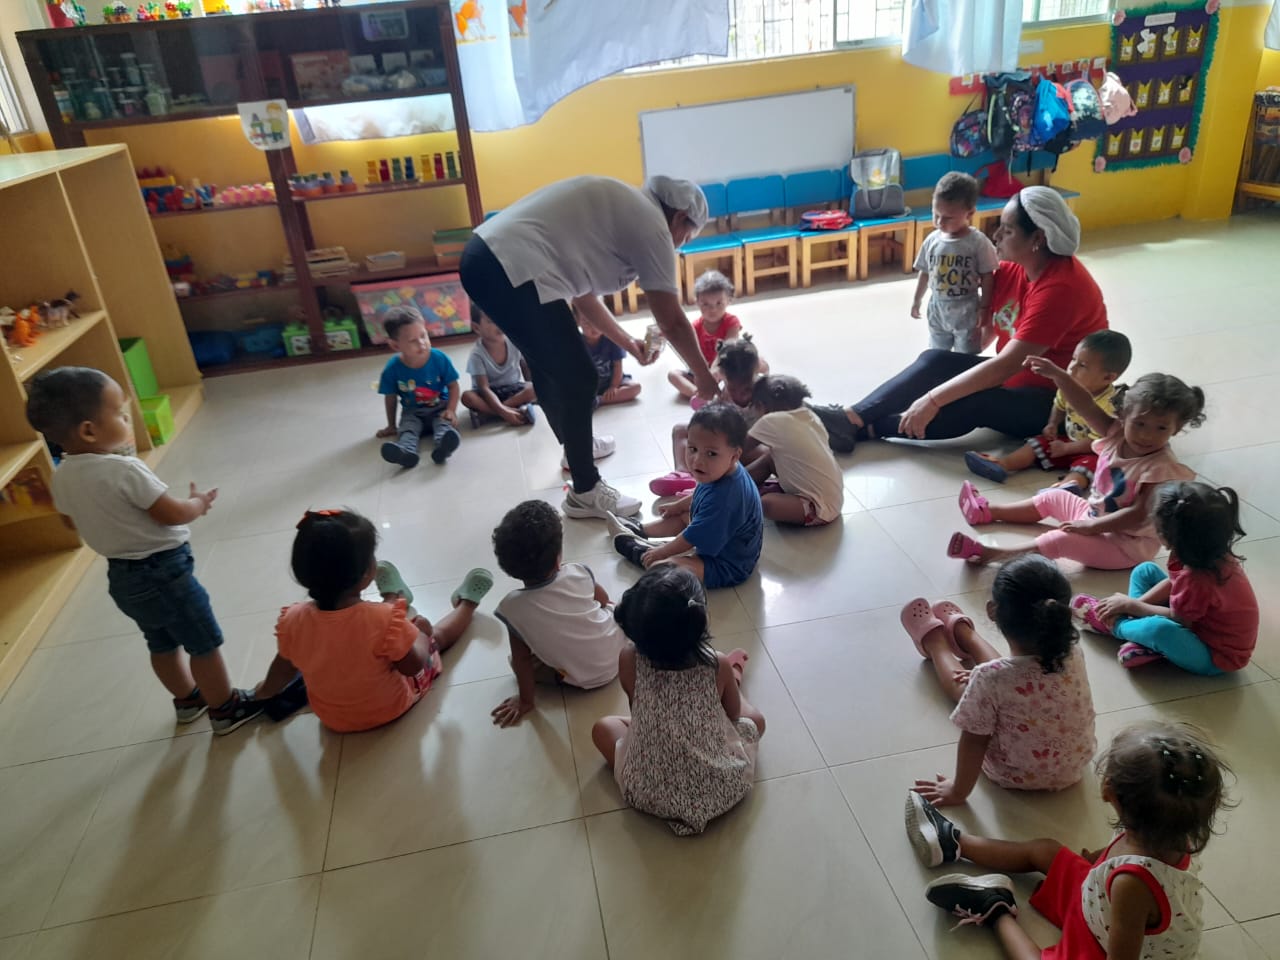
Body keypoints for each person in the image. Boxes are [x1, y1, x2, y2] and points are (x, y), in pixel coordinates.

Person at [460, 174, 722, 520]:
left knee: (549, 367)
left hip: (486, 258)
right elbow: (671, 319)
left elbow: (584, 296)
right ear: (680, 218)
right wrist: (704, 378)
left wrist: (627, 342)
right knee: (580, 376)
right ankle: (585, 490)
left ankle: (576, 451)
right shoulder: (653, 225)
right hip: (507, 265)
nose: (677, 246)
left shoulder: (625, 209)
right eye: (685, 238)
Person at [25, 366, 261, 734]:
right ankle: (225, 709)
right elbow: (171, 514)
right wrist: (198, 503)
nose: (126, 418)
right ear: (89, 430)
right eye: (119, 414)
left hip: (123, 578)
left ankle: (188, 701)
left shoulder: (62, 476)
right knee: (203, 643)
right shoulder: (125, 470)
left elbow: (72, 523)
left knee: (160, 644)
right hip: (165, 572)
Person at [810, 186, 1107, 454]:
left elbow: (1006, 364)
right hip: (1017, 378)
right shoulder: (1017, 269)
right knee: (935, 360)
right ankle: (851, 418)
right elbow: (981, 312)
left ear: (1038, 239)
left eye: (1007, 231)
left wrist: (933, 399)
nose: (996, 236)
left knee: (973, 402)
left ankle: (866, 429)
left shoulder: (1061, 289)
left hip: (1054, 403)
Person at [910, 720, 1231, 960]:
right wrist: (1095, 861)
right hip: (1100, 905)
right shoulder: (1163, 830)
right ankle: (954, 842)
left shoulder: (1132, 885)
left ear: (1108, 791)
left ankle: (994, 909)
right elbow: (1119, 858)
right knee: (1044, 851)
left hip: (1105, 942)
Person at [254, 510, 492, 733]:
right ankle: (467, 604)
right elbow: (412, 666)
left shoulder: (293, 620)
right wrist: (421, 634)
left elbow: (283, 670)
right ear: (367, 573)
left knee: (390, 632)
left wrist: (263, 692)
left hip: (333, 719)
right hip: (390, 708)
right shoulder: (381, 620)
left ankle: (394, 596)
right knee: (435, 638)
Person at [949, 370, 1202, 569]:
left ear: (1177, 429)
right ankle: (987, 512)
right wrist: (1059, 376)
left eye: (1161, 428)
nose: (1146, 435)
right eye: (1140, 424)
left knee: (1059, 540)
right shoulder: (1116, 433)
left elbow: (1138, 514)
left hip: (1126, 546)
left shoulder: (1161, 468)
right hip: (1093, 515)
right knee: (1053, 496)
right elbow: (1085, 405)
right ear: (1124, 416)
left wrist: (1091, 528)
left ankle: (990, 555)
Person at [903, 555, 1095, 808]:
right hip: (1073, 768)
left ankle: (935, 642)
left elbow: (974, 741)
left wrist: (957, 792)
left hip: (1014, 774)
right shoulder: (1073, 651)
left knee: (978, 685)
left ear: (992, 611)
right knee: (1001, 677)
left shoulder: (990, 677)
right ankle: (964, 635)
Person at [591, 565, 765, 835]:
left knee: (603, 728)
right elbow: (731, 716)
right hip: (723, 789)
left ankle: (724, 689)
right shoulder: (715, 663)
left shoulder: (628, 659)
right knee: (754, 720)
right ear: (700, 621)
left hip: (650, 795)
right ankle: (735, 679)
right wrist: (727, 680)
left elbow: (637, 712)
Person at [1073, 482, 1258, 674]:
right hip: (1196, 621)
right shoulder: (1204, 551)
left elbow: (1180, 620)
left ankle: (1115, 625)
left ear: (1167, 536)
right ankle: (1139, 634)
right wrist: (1134, 605)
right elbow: (1174, 584)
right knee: (1144, 570)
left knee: (1159, 629)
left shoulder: (1198, 577)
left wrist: (1132, 606)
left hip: (1214, 655)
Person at [488, 500, 627, 728]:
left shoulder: (511, 608)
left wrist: (525, 701)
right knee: (610, 609)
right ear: (557, 558)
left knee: (517, 660)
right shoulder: (578, 572)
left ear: (507, 567)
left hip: (582, 680)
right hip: (622, 652)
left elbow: (522, 659)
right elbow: (604, 601)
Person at [609, 403, 764, 589]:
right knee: (683, 515)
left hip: (727, 564)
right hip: (716, 534)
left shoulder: (727, 499)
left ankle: (643, 554)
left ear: (734, 456)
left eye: (711, 453)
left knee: (668, 567)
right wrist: (679, 505)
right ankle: (639, 530)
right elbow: (702, 493)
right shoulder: (720, 470)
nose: (698, 460)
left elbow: (692, 537)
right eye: (692, 449)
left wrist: (662, 553)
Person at [966, 330, 1131, 489]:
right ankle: (1003, 464)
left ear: (1108, 377)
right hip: (1069, 441)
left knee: (1091, 465)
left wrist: (1066, 449)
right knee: (1036, 444)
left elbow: (1096, 442)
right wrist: (1053, 423)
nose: (1072, 368)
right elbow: (1059, 405)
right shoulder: (1070, 387)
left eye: (1082, 365)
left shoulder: (1110, 405)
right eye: (1073, 359)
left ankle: (1066, 487)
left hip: (1093, 451)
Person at [652, 336, 763, 498]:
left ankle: (743, 484)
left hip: (746, 451)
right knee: (680, 430)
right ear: (722, 375)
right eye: (733, 389)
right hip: (717, 451)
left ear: (756, 371)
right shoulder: (722, 392)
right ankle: (684, 475)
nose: (739, 395)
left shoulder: (765, 392)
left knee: (767, 452)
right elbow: (711, 421)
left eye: (746, 389)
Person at [910, 172, 998, 355]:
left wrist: (985, 308)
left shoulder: (978, 242)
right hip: (937, 308)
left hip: (967, 310)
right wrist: (917, 299)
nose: (939, 222)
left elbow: (988, 276)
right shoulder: (932, 240)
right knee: (937, 354)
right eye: (936, 215)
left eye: (948, 217)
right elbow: (924, 272)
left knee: (965, 357)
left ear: (970, 213)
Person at [744, 374, 844, 526]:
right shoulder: (810, 416)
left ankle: (738, 493)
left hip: (818, 507)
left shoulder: (771, 420)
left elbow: (738, 448)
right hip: (834, 498)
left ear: (761, 406)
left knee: (767, 504)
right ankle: (740, 487)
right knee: (770, 457)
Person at [376, 306, 462, 467]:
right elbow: (390, 398)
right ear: (395, 345)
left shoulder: (439, 358)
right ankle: (406, 453)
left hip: (439, 408)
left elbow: (453, 386)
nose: (422, 343)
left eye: (423, 336)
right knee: (407, 430)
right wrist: (391, 425)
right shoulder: (392, 369)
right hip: (412, 412)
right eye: (413, 341)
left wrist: (451, 410)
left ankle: (443, 448)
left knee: (444, 426)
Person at [667, 270, 768, 399]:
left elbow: (727, 348)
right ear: (697, 302)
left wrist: (715, 369)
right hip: (702, 371)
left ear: (728, 300)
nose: (713, 309)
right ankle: (699, 395)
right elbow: (686, 348)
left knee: (760, 364)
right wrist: (667, 335)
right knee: (673, 375)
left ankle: (722, 393)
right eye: (705, 304)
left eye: (718, 303)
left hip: (726, 367)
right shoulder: (695, 326)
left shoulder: (731, 322)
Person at [460, 304, 536, 428]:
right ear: (477, 328)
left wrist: (532, 388)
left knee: (536, 388)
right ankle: (512, 410)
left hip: (513, 389)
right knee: (467, 397)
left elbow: (525, 366)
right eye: (491, 320)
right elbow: (484, 388)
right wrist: (504, 412)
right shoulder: (477, 355)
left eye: (501, 317)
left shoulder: (514, 342)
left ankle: (487, 415)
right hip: (488, 394)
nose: (499, 322)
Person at [582, 321, 642, 407]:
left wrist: (613, 386)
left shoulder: (612, 340)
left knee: (635, 388)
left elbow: (618, 366)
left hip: (613, 380)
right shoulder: (577, 343)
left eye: (596, 322)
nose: (594, 328)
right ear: (578, 322)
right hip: (590, 386)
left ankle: (598, 400)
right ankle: (591, 399)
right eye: (587, 324)